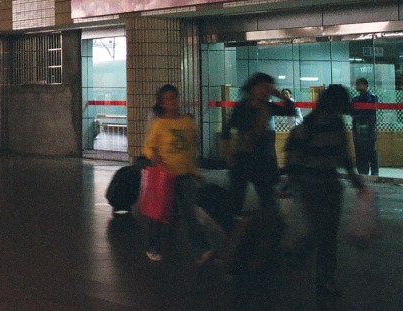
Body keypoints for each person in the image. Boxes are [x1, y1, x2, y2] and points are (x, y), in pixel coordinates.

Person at [284, 84, 368, 301]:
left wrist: (357, 182)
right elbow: (294, 153)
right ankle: (303, 261)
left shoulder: (336, 123)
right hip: (312, 186)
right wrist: (291, 181)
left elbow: (344, 156)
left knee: (327, 235)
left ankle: (324, 280)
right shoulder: (311, 124)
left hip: (328, 186)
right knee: (322, 232)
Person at [141, 83, 212, 264]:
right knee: (158, 213)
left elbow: (189, 149)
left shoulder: (187, 122)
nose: (172, 102)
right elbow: (148, 147)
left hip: (184, 175)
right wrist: (155, 157)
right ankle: (152, 245)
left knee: (189, 213)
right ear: (162, 103)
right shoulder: (159, 124)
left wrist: (193, 170)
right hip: (164, 176)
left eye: (174, 98)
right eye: (167, 99)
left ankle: (201, 249)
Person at [221, 72, 297, 215]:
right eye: (263, 87)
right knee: (236, 199)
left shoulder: (269, 107)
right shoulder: (242, 107)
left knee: (268, 199)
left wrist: (280, 95)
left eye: (269, 89)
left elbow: (291, 110)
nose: (266, 91)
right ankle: (233, 229)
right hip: (243, 159)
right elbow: (227, 131)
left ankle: (268, 229)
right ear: (253, 88)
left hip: (263, 161)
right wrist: (229, 154)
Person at [351, 77, 378, 176]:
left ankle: (375, 174)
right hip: (357, 130)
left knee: (371, 152)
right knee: (359, 153)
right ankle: (363, 174)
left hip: (369, 129)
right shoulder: (355, 99)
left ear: (365, 85)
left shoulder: (373, 98)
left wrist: (359, 113)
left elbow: (370, 112)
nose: (357, 86)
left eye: (359, 84)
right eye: (357, 84)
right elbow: (353, 113)